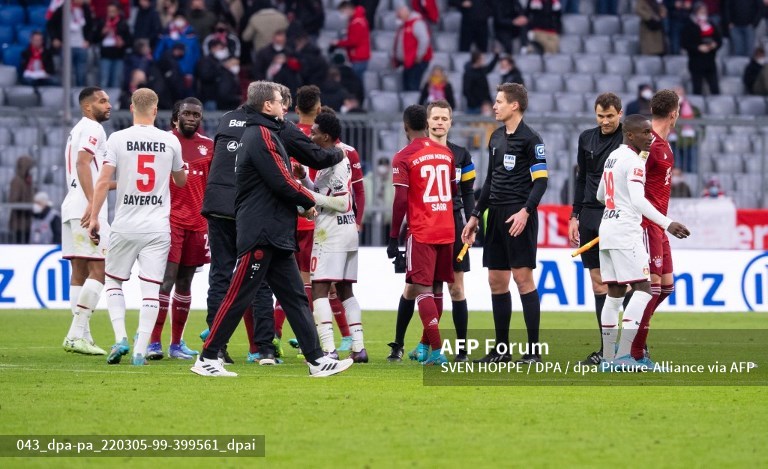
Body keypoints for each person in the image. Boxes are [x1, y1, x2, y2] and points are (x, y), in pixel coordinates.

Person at [191, 81, 353, 378]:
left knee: (294, 297)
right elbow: (282, 181)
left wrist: (304, 202)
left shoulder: (263, 132)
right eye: (280, 101)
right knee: (238, 295)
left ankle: (316, 360)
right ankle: (208, 357)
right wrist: (312, 200)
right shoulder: (260, 135)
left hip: (274, 230)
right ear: (268, 105)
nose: (284, 106)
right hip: (261, 229)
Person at [88, 88, 187, 366]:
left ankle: (120, 337)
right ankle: (141, 350)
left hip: (125, 224)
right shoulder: (170, 140)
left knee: (114, 281)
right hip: (157, 227)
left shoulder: (118, 139)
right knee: (152, 289)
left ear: (132, 108)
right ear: (155, 111)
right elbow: (181, 181)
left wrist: (95, 217)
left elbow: (103, 181)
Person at [461, 83, 548, 364]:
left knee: (523, 280)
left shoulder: (532, 139)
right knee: (496, 281)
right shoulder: (496, 136)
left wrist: (526, 211)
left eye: (499, 102)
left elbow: (542, 181)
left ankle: (533, 351)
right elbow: (490, 180)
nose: (494, 106)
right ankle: (502, 350)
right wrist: (475, 215)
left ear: (515, 106)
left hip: (518, 214)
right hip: (494, 215)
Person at [595, 114, 689, 370]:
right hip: (626, 231)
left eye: (650, 132)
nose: (650, 137)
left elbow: (601, 195)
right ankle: (625, 355)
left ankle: (607, 358)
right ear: (630, 134)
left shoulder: (612, 156)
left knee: (614, 295)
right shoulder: (635, 162)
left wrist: (618, 203)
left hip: (608, 228)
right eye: (645, 133)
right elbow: (638, 201)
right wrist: (668, 223)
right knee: (644, 289)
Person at [387, 100, 476, 363]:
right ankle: (412, 345)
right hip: (445, 225)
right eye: (435, 118)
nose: (439, 122)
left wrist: (394, 236)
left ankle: (439, 350)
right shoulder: (447, 156)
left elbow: (402, 200)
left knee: (429, 288)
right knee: (430, 288)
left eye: (444, 118)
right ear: (427, 122)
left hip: (427, 226)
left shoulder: (408, 155)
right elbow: (453, 190)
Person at [145, 98, 213, 361]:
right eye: (187, 113)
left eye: (197, 114)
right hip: (169, 221)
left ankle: (176, 344)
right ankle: (154, 343)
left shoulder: (209, 146)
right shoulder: (164, 142)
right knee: (166, 281)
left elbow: (212, 186)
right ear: (176, 116)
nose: (192, 118)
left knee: (185, 282)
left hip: (198, 223)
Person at [304, 112, 368, 362]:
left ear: (326, 136)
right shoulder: (329, 159)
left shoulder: (338, 161)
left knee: (319, 288)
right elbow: (324, 191)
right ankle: (359, 348)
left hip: (331, 232)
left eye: (314, 132)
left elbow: (342, 202)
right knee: (345, 291)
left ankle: (329, 350)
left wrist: (308, 197)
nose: (311, 135)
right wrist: (304, 180)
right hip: (346, 230)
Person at [568, 92, 625, 366]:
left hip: (618, 215)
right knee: (599, 283)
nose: (605, 121)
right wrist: (574, 215)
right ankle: (606, 350)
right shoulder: (586, 138)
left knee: (627, 282)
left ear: (620, 114)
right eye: (600, 116)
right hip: (590, 215)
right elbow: (581, 178)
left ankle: (635, 347)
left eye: (610, 116)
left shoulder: (629, 138)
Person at [631, 90, 683, 364]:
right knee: (651, 290)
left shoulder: (663, 143)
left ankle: (634, 322)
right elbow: (633, 185)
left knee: (666, 290)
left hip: (660, 226)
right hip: (647, 224)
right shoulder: (648, 145)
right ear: (674, 113)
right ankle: (635, 352)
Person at [60, 87, 113, 356]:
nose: (108, 105)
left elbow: (89, 169)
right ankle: (73, 335)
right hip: (86, 207)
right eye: (102, 101)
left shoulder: (77, 129)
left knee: (79, 272)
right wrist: (94, 206)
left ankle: (83, 337)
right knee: (99, 270)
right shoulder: (94, 129)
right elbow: (83, 164)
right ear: (87, 106)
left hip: (72, 204)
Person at [682, 2, 721, 95]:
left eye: (704, 11)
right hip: (696, 62)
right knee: (697, 88)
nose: (703, 13)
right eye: (701, 11)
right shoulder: (689, 25)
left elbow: (719, 40)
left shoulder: (711, 24)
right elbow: (685, 43)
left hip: (710, 61)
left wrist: (714, 45)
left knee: (714, 88)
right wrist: (698, 48)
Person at [393, 4, 432, 92]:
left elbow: (424, 40)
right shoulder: (403, 24)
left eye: (400, 13)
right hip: (407, 61)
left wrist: (419, 56)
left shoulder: (417, 23)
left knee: (412, 86)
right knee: (407, 86)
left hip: (416, 61)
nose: (398, 15)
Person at [95, 2, 132, 88]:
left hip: (118, 55)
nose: (111, 13)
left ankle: (115, 100)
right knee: (104, 80)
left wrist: (123, 43)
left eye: (113, 11)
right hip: (105, 55)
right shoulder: (102, 22)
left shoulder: (123, 23)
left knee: (116, 80)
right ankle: (102, 100)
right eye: (109, 11)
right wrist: (102, 33)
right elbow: (94, 39)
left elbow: (130, 41)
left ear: (118, 12)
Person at [333, 1, 371, 83]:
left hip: (358, 57)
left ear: (348, 9)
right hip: (360, 55)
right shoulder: (359, 19)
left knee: (357, 82)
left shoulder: (356, 22)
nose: (342, 14)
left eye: (342, 11)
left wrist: (338, 43)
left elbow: (353, 42)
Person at [670, 86, 701, 173]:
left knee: (691, 167)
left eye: (680, 94)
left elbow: (701, 124)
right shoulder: (667, 109)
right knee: (675, 167)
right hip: (673, 141)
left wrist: (698, 137)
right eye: (676, 94)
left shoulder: (693, 109)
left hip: (690, 141)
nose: (679, 96)